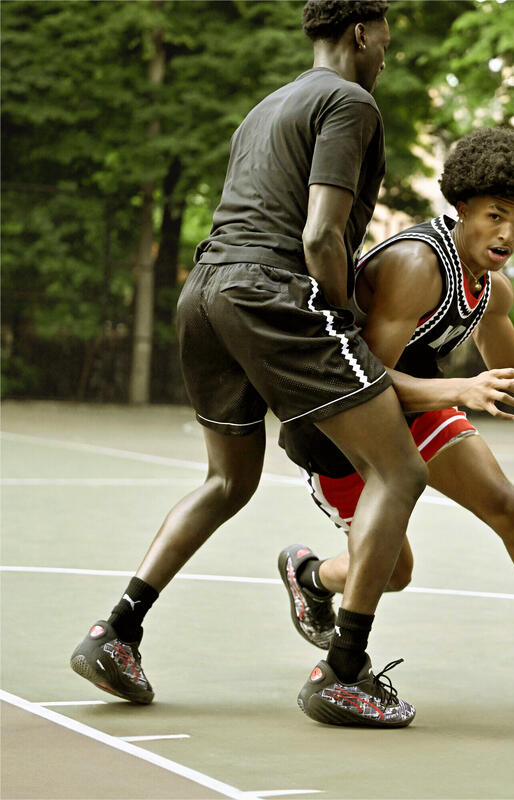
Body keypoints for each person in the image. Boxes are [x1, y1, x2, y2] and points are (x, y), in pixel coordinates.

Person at [70, 0, 424, 729]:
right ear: (361, 31)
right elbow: (322, 234)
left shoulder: (266, 107)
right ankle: (343, 673)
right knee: (400, 471)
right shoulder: (350, 102)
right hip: (272, 291)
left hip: (204, 294)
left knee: (227, 480)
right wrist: (344, 325)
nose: (389, 48)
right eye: (386, 34)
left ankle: (118, 632)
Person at [278, 127, 514, 718]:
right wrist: (461, 388)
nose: (509, 234)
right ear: (462, 207)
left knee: (510, 507)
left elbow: (512, 369)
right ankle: (311, 576)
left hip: (421, 401)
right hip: (343, 425)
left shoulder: (490, 287)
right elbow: (366, 380)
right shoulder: (416, 264)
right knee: (395, 571)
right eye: (495, 215)